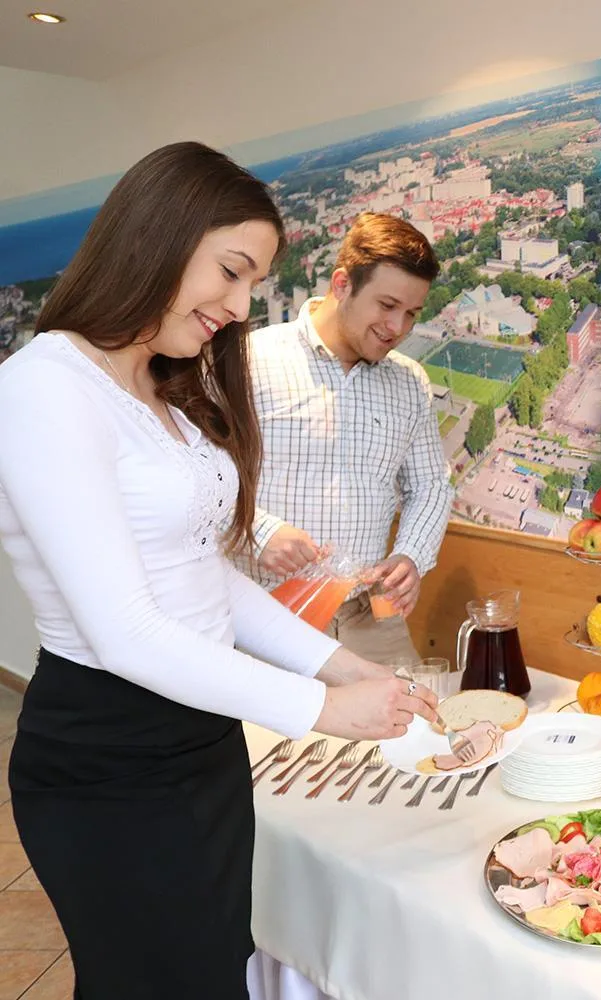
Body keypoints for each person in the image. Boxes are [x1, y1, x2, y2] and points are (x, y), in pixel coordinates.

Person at [0, 142, 439, 999]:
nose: (240, 308)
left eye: (252, 284)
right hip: (109, 755)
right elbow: (124, 633)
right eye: (232, 273)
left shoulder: (153, 392)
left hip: (198, 739)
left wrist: (342, 665)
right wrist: (325, 710)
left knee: (214, 972)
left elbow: (207, 579)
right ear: (158, 237)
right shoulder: (43, 386)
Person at [243, 212, 453, 664]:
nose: (397, 327)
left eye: (412, 313)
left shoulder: (410, 383)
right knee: (283, 738)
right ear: (342, 284)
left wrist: (411, 555)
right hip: (268, 613)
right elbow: (200, 478)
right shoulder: (249, 361)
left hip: (372, 616)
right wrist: (260, 532)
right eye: (387, 305)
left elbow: (431, 486)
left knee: (413, 732)